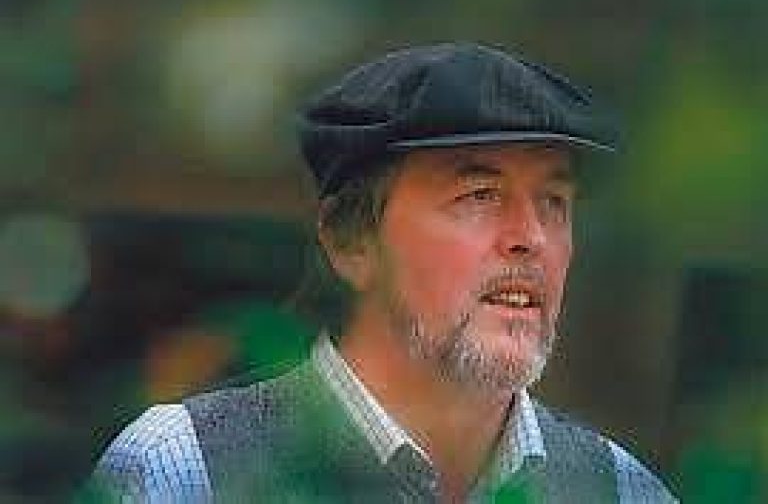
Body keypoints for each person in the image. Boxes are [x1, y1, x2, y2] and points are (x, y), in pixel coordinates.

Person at [89, 42, 677, 502]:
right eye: (479, 196)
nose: (532, 238)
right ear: (350, 240)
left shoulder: (620, 489)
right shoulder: (184, 469)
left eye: (554, 202)